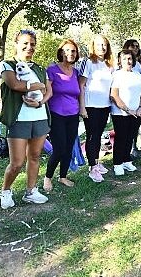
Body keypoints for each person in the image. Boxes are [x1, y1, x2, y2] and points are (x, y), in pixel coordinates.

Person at [0, 29, 52, 207]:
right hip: (18, 119)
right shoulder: (7, 65)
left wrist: (39, 102)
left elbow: (48, 91)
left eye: (32, 44)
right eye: (25, 43)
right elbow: (14, 84)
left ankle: (31, 191)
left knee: (35, 156)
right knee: (17, 162)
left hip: (40, 117)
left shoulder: (39, 68)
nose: (29, 47)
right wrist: (36, 85)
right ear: (16, 44)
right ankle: (5, 191)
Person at [43, 39, 81, 192]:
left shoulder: (76, 72)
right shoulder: (52, 70)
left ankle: (63, 176)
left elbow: (78, 93)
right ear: (60, 52)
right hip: (57, 114)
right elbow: (47, 92)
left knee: (69, 147)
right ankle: (47, 178)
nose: (70, 54)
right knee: (59, 149)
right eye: (67, 50)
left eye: (73, 51)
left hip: (73, 114)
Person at [79, 34, 114, 182]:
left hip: (104, 105)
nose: (102, 47)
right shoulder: (88, 62)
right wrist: (82, 107)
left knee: (99, 135)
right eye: (99, 44)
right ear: (93, 46)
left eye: (104, 44)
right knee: (92, 136)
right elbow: (81, 85)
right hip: (91, 105)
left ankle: (97, 163)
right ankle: (92, 167)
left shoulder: (108, 65)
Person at [110, 50, 141, 175]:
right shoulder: (117, 75)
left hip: (136, 112)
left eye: (130, 58)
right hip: (121, 113)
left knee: (130, 137)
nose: (128, 61)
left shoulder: (136, 74)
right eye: (124, 59)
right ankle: (117, 163)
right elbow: (114, 95)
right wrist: (127, 109)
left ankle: (126, 160)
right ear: (120, 61)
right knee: (121, 137)